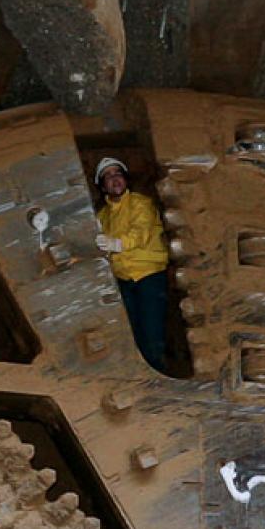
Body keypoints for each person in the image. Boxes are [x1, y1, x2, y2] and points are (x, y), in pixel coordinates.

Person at [93, 156, 172, 372]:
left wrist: (116, 243)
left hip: (149, 277)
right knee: (132, 336)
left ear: (125, 179)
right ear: (102, 186)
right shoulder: (103, 216)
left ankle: (160, 379)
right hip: (123, 281)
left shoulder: (141, 203)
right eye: (107, 176)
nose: (114, 179)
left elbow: (141, 233)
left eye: (117, 173)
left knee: (151, 334)